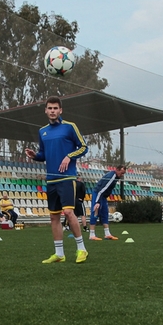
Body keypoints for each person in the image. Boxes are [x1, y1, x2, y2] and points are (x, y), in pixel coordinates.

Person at [25, 95, 89, 264]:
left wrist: (69, 156)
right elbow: (43, 154)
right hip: (51, 179)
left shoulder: (70, 127)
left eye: (55, 108)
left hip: (67, 177)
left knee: (68, 212)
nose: (52, 111)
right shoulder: (42, 131)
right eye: (50, 108)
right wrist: (35, 156)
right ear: (45, 110)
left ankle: (82, 249)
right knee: (54, 217)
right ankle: (59, 254)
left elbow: (84, 147)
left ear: (60, 110)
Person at [89, 165, 126, 241]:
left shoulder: (115, 177)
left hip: (103, 196)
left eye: (123, 173)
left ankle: (107, 234)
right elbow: (101, 189)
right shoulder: (111, 177)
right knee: (95, 212)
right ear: (117, 170)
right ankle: (91, 235)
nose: (122, 175)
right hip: (98, 194)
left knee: (105, 213)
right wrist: (97, 201)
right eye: (121, 173)